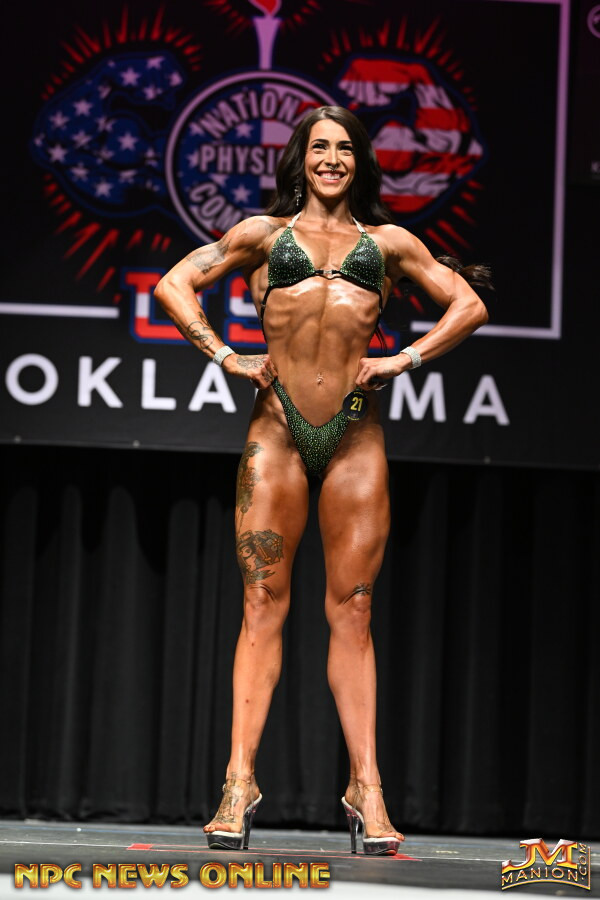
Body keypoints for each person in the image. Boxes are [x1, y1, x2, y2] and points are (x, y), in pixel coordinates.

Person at [154, 105, 489, 855]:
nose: (331, 159)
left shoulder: (389, 243)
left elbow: (468, 304)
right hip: (275, 434)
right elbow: (175, 285)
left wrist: (404, 358)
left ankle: (366, 787)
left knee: (355, 611)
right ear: (300, 160)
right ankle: (239, 783)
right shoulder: (262, 235)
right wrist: (224, 355)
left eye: (343, 149)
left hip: (355, 439)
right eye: (319, 148)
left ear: (359, 162)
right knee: (261, 603)